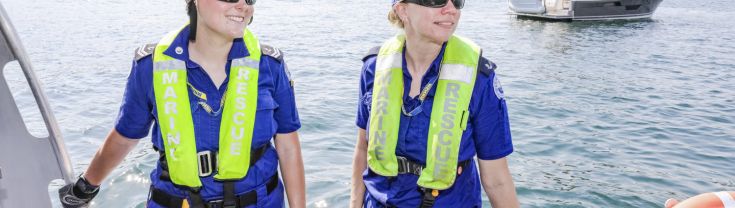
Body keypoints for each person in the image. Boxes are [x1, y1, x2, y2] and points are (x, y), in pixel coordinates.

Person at [57, 0, 305, 207]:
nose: (243, 5)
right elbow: (125, 137)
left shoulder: (270, 65)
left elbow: (288, 147)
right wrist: (85, 188)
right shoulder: (151, 66)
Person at [349, 0, 519, 207]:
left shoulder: (479, 79)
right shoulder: (374, 68)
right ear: (402, 10)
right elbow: (362, 150)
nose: (451, 9)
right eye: (436, 0)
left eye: (456, 1)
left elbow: (497, 180)